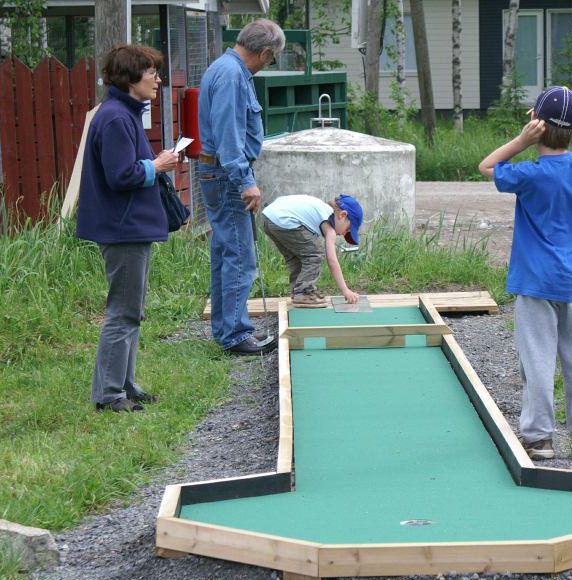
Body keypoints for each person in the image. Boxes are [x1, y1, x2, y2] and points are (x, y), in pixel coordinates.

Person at [478, 86, 572, 463]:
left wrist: (520, 141)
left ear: (534, 124)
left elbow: (487, 166)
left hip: (536, 284)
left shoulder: (530, 175)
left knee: (537, 363)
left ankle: (539, 439)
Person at [77, 44, 179, 413]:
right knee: (123, 311)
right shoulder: (117, 117)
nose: (158, 79)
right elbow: (121, 176)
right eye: (151, 72)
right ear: (130, 76)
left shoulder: (122, 112)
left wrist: (154, 164)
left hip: (128, 227)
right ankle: (109, 395)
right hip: (122, 228)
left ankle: (125, 384)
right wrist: (159, 166)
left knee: (131, 309)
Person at [198, 18, 285, 355]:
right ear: (264, 53)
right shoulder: (233, 76)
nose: (268, 65)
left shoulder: (224, 68)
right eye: (272, 59)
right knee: (239, 256)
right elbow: (229, 137)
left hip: (218, 172)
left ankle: (226, 330)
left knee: (225, 252)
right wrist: (246, 182)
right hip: (226, 175)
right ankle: (235, 335)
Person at [260, 194, 364, 307]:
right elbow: (332, 261)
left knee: (296, 257)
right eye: (348, 229)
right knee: (315, 255)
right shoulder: (329, 225)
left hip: (269, 217)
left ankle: (298, 293)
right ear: (342, 215)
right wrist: (345, 290)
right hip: (283, 219)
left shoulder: (321, 210)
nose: (343, 234)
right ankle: (304, 293)